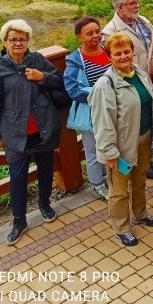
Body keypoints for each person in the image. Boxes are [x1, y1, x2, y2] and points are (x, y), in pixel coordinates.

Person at [0, 20, 65, 245]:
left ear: (28, 41)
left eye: (22, 39)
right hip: (14, 132)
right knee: (18, 177)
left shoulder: (38, 60)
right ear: (5, 42)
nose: (18, 43)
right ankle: (19, 220)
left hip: (43, 127)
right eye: (13, 39)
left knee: (45, 168)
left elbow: (59, 82)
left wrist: (42, 77)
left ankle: (44, 204)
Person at [89, 33, 153, 246]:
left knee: (139, 181)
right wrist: (109, 152)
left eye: (127, 51)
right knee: (119, 190)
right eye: (117, 53)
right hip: (121, 146)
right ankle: (121, 227)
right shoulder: (105, 84)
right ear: (109, 56)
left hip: (144, 137)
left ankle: (141, 213)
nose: (123, 57)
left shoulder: (138, 72)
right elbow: (103, 122)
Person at [64, 17, 110, 201]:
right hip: (91, 112)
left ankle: (109, 178)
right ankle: (98, 185)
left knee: (110, 145)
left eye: (97, 31)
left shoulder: (107, 49)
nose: (95, 36)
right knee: (93, 151)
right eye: (89, 33)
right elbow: (73, 89)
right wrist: (103, 92)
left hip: (112, 109)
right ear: (79, 37)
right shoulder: (75, 60)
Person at [101, 0, 153, 77]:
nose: (137, 6)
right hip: (132, 81)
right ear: (120, 7)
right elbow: (112, 64)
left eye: (137, 2)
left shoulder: (145, 22)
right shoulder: (111, 32)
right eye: (132, 3)